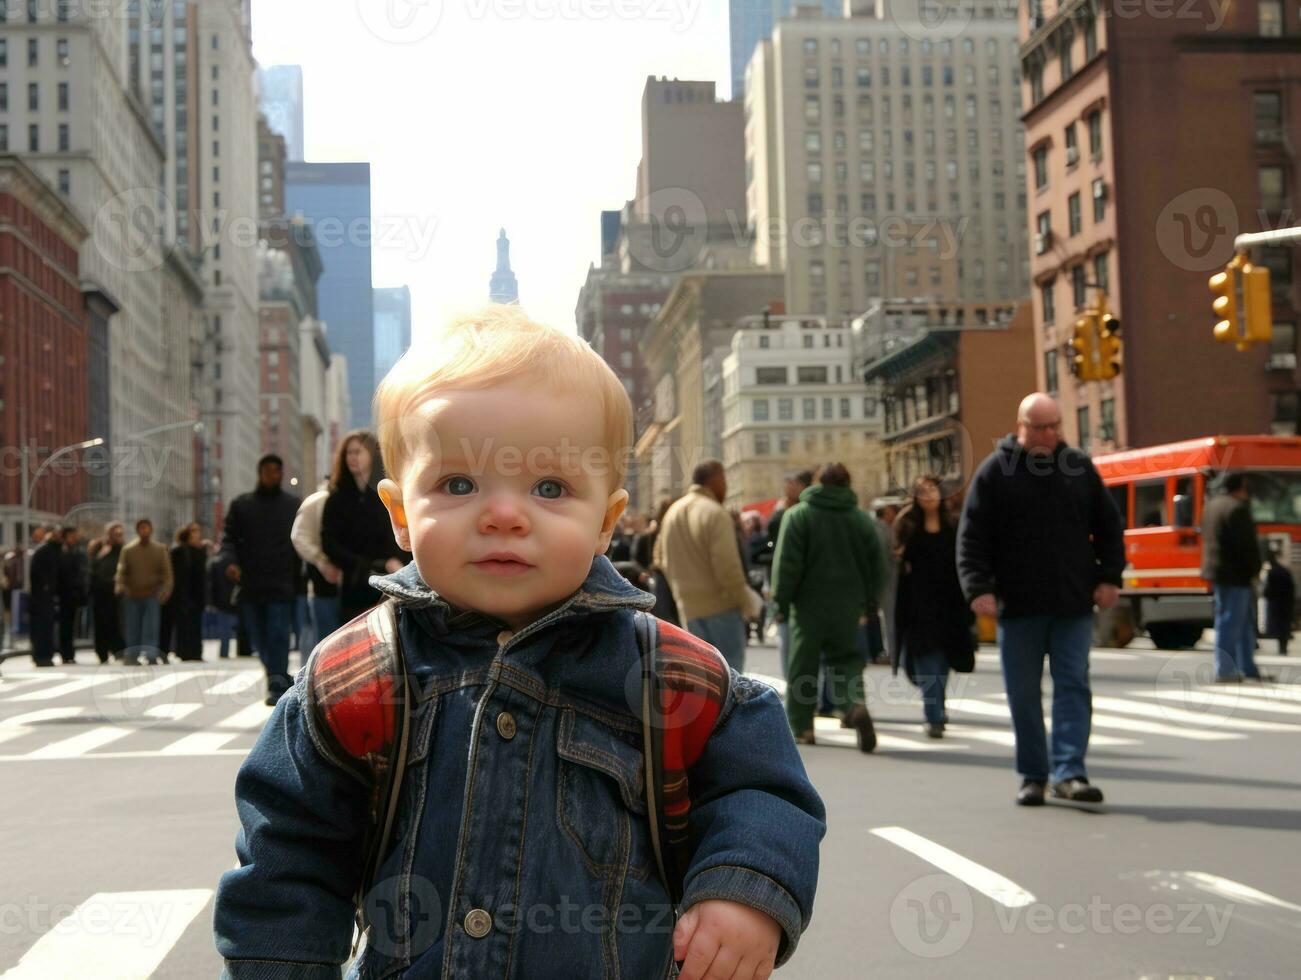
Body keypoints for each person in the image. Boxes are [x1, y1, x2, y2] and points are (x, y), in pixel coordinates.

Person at [213, 305, 825, 979]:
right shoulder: (353, 674)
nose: (504, 514)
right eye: (457, 484)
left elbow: (763, 788)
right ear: (399, 515)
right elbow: (287, 856)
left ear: (605, 521)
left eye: (548, 487)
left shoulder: (666, 672)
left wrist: (745, 888)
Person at [957, 392, 1125, 807]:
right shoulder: (996, 472)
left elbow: (1109, 527)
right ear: (1021, 426)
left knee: (1073, 686)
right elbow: (972, 536)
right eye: (1040, 426)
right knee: (1024, 693)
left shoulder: (1079, 468)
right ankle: (1034, 775)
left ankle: (1071, 772)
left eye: (1055, 426)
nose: (1049, 434)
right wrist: (978, 588)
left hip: (1072, 603)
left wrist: (1109, 577)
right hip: (1017, 607)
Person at [771, 463, 885, 751]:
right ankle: (854, 704)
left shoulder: (798, 516)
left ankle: (803, 727)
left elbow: (787, 565)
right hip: (849, 605)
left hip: (808, 606)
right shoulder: (860, 519)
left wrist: (780, 602)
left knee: (803, 664)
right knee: (846, 660)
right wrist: (870, 602)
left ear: (817, 483)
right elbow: (878, 566)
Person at [655, 459, 764, 671]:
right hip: (722, 607)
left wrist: (681, 591)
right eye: (724, 480)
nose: (726, 486)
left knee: (703, 680)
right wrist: (748, 601)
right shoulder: (715, 512)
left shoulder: (673, 512)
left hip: (688, 608)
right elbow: (728, 569)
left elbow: (660, 559)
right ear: (716, 479)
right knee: (730, 679)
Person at [892, 476, 975, 738]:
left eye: (932, 490)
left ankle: (936, 710)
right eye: (922, 491)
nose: (929, 495)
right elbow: (895, 559)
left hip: (949, 604)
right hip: (917, 604)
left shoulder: (954, 524)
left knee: (942, 661)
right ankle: (934, 713)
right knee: (924, 660)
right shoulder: (907, 524)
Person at [220, 454, 303, 705]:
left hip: (281, 583)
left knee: (278, 635)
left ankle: (276, 686)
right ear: (260, 473)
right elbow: (228, 539)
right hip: (251, 584)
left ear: (281, 474)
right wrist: (230, 562)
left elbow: (300, 541)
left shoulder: (292, 505)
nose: (272, 475)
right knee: (257, 638)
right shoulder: (241, 505)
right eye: (267, 471)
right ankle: (278, 675)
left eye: (276, 471)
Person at [321, 431, 405, 623]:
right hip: (354, 584)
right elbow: (329, 542)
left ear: (372, 454)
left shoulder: (388, 492)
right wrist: (360, 564)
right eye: (349, 453)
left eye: (358, 452)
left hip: (390, 579)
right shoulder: (336, 499)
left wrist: (392, 561)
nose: (352, 457)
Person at [1201, 473, 1267, 681]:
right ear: (1241, 487)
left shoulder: (1212, 506)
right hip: (1237, 574)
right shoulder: (1237, 509)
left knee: (1242, 621)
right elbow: (1247, 546)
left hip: (1219, 572)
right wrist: (1256, 569)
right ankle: (1225, 669)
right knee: (1231, 621)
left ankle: (1247, 668)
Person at [767, 470, 814, 677]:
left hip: (804, 590)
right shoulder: (783, 514)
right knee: (789, 641)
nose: (790, 489)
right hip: (794, 590)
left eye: (793, 485)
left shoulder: (801, 513)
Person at [291, 479, 344, 643]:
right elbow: (299, 536)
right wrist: (322, 562)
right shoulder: (319, 500)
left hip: (358, 585)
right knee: (326, 643)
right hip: (323, 585)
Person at [115, 519, 173, 666]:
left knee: (151, 627)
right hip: (132, 593)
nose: (144, 531)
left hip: (152, 594)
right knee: (132, 626)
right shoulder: (128, 549)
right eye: (141, 528)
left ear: (151, 529)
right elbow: (121, 570)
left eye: (146, 528)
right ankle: (132, 654)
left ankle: (151, 654)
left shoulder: (159, 549)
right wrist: (120, 584)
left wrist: (165, 591)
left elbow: (167, 573)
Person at [167, 523, 207, 662]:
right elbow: (178, 576)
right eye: (194, 532)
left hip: (196, 595)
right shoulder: (178, 551)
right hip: (183, 595)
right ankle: (184, 652)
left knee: (195, 625)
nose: (197, 535)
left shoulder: (200, 552)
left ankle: (195, 653)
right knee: (184, 625)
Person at [89, 523, 126, 663]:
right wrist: (100, 554)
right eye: (115, 534)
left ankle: (118, 650)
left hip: (117, 593)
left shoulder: (124, 549)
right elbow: (92, 566)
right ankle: (102, 652)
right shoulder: (100, 548)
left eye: (120, 534)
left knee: (117, 623)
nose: (118, 537)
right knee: (101, 624)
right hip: (100, 593)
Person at [28, 526, 63, 667]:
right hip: (42, 598)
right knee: (43, 628)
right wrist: (48, 588)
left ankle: (43, 655)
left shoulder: (49, 551)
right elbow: (43, 576)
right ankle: (42, 656)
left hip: (43, 597)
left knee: (45, 627)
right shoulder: (47, 551)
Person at [1262, 547, 1295, 656]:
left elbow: (1268, 590)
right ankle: (1283, 648)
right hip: (1286, 602)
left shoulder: (1272, 572)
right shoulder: (1284, 571)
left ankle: (1282, 648)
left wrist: (1266, 595)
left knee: (1278, 625)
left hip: (1276, 602)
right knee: (1284, 625)